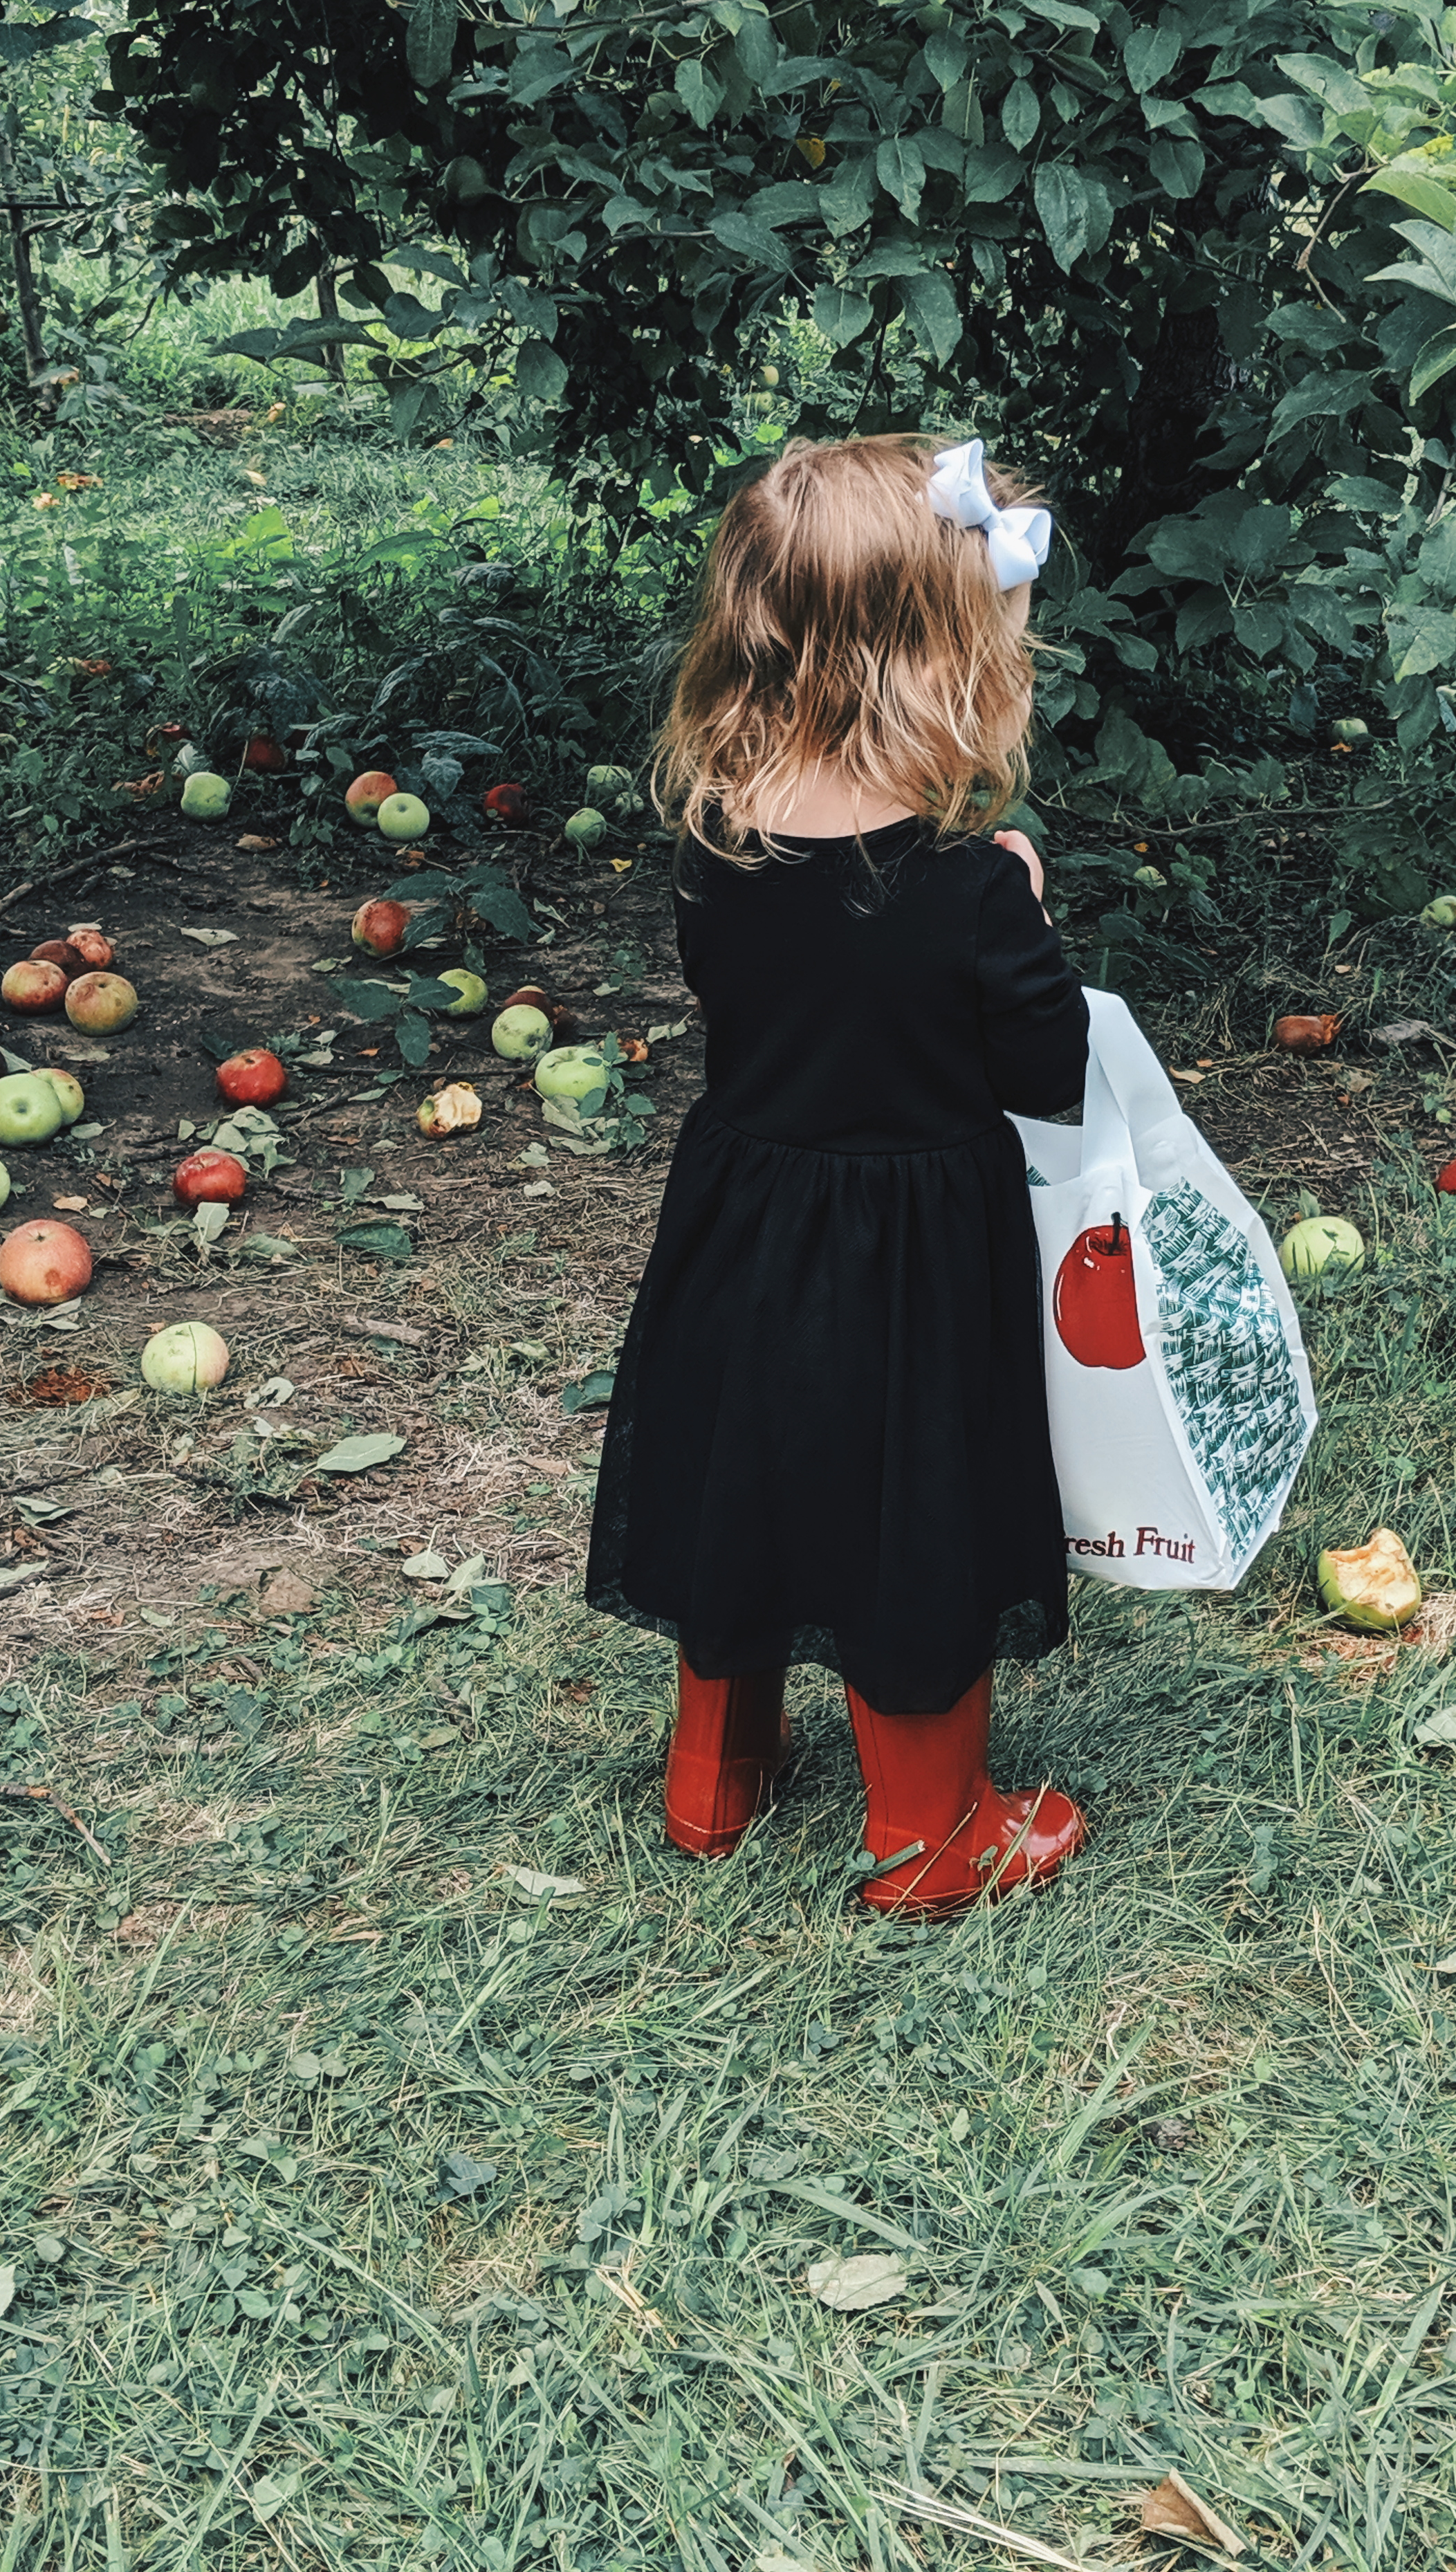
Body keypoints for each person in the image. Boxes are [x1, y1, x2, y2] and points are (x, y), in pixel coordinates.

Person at [586, 432, 1091, 1918]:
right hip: (917, 1253)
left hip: (743, 1222)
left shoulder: (711, 839)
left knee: (742, 1470)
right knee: (916, 1510)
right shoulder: (967, 885)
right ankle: (935, 1836)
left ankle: (714, 1779)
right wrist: (1028, 911)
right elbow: (1040, 1070)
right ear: (935, 655)